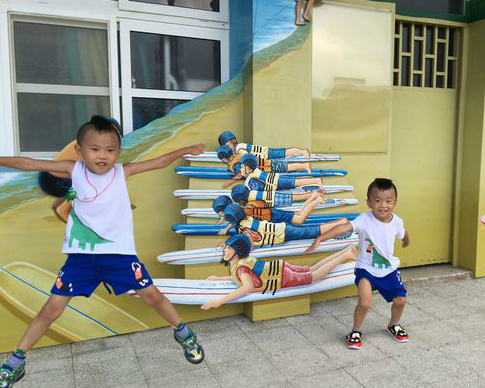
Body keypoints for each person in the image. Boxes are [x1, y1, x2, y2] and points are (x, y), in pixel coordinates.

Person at [0, 115, 206, 388]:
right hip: (80, 260)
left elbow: (158, 162)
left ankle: (183, 333)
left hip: (119, 257)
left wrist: (184, 150)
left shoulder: (123, 171)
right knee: (51, 309)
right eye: (95, 149)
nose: (102, 156)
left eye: (110, 150)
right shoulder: (73, 169)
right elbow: (31, 163)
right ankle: (16, 360)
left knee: (153, 296)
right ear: (80, 151)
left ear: (118, 153)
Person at [304, 178, 410, 349]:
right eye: (377, 201)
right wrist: (320, 238)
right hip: (365, 268)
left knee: (401, 300)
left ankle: (394, 324)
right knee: (365, 302)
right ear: (369, 202)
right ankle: (355, 331)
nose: (383, 205)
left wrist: (406, 241)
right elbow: (344, 228)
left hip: (388, 269)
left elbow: (403, 234)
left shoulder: (397, 221)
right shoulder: (364, 219)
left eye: (388, 201)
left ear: (395, 203)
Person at [200, 234, 357, 309]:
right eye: (226, 248)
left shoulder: (240, 267)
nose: (225, 251)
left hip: (282, 276)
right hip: (280, 268)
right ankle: (346, 251)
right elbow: (241, 279)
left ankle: (347, 255)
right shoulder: (239, 264)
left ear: (238, 251)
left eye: (228, 248)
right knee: (313, 268)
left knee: (316, 275)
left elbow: (246, 286)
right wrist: (217, 278)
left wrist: (219, 301)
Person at [219, 203, 347, 248]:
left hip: (282, 233)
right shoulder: (245, 218)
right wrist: (227, 228)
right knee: (310, 229)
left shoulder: (244, 229)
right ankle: (338, 223)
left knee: (313, 231)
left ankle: (340, 223)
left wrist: (231, 244)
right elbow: (236, 219)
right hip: (282, 228)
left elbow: (250, 242)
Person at [216, 145, 311, 189]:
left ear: (224, 159)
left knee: (286, 167)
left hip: (266, 169)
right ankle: (302, 156)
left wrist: (229, 183)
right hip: (265, 162)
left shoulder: (235, 164)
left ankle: (303, 164)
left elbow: (240, 174)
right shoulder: (240, 153)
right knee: (284, 158)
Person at [213, 190, 325, 225]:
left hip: (272, 216)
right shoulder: (237, 209)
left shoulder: (238, 212)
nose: (220, 216)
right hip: (271, 213)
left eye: (220, 213)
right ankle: (313, 197)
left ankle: (316, 200)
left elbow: (234, 222)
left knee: (299, 219)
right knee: (298, 214)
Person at [240, 154, 323, 193]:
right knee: (295, 182)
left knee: (295, 182)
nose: (240, 169)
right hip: (276, 180)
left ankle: (316, 180)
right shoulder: (253, 174)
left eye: (242, 167)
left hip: (276, 182)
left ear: (249, 168)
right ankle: (314, 181)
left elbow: (259, 189)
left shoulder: (251, 179)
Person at [218, 130, 310, 160]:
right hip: (264, 152)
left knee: (283, 152)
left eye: (229, 144)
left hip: (264, 154)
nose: (229, 147)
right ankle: (301, 151)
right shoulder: (238, 147)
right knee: (282, 152)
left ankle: (302, 151)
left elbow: (246, 156)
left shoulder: (239, 148)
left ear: (234, 140)